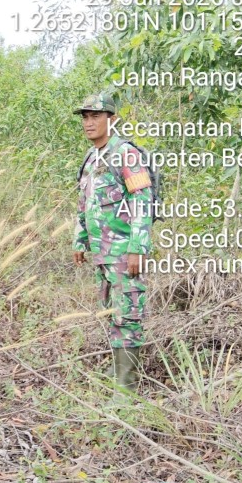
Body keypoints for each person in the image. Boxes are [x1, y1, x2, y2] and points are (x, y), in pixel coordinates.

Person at [72, 93, 153, 393]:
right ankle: (117, 371)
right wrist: (80, 239)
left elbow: (142, 200)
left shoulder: (126, 154)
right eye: (85, 117)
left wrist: (137, 248)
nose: (89, 122)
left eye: (96, 115)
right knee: (111, 312)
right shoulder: (92, 158)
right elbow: (85, 203)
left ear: (112, 119)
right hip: (102, 254)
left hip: (123, 253)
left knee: (128, 315)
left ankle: (126, 388)